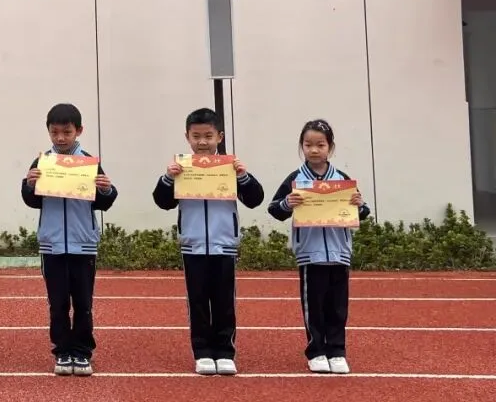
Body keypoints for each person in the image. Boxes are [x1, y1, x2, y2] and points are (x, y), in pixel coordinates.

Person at [152, 107, 265, 377]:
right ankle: (202, 352)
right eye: (196, 136)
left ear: (219, 137)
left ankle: (225, 352)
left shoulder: (230, 168)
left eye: (208, 136)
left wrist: (243, 176)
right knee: (198, 301)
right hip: (193, 246)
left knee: (225, 302)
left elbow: (255, 199)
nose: (202, 142)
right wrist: (168, 178)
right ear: (187, 137)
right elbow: (162, 201)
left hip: (224, 244)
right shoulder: (181, 169)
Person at [20, 103, 118, 377]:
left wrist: (106, 190)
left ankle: (83, 352)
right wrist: (29, 184)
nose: (61, 138)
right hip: (52, 244)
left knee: (83, 303)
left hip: (82, 243)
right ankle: (63, 351)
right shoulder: (42, 162)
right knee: (58, 302)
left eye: (67, 132)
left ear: (79, 131)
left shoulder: (89, 163)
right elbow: (32, 200)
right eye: (55, 132)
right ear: (48, 132)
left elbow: (104, 201)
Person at [267, 118, 369, 375]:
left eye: (320, 145)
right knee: (314, 306)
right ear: (301, 146)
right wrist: (288, 203)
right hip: (310, 255)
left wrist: (359, 204)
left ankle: (337, 351)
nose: (314, 150)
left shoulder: (342, 180)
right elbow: (274, 209)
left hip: (339, 253)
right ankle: (316, 351)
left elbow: (362, 212)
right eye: (308, 144)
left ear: (330, 147)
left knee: (337, 307)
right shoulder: (296, 179)